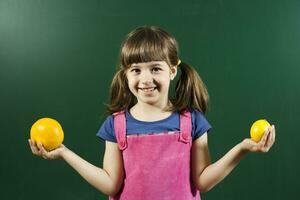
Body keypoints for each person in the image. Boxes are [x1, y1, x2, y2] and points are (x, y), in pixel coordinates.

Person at [28, 26, 276, 200]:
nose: (145, 79)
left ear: (172, 71)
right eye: (135, 70)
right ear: (126, 74)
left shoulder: (192, 121)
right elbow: (111, 184)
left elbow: (203, 181)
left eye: (155, 68)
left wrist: (243, 148)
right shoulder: (116, 125)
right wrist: (64, 153)